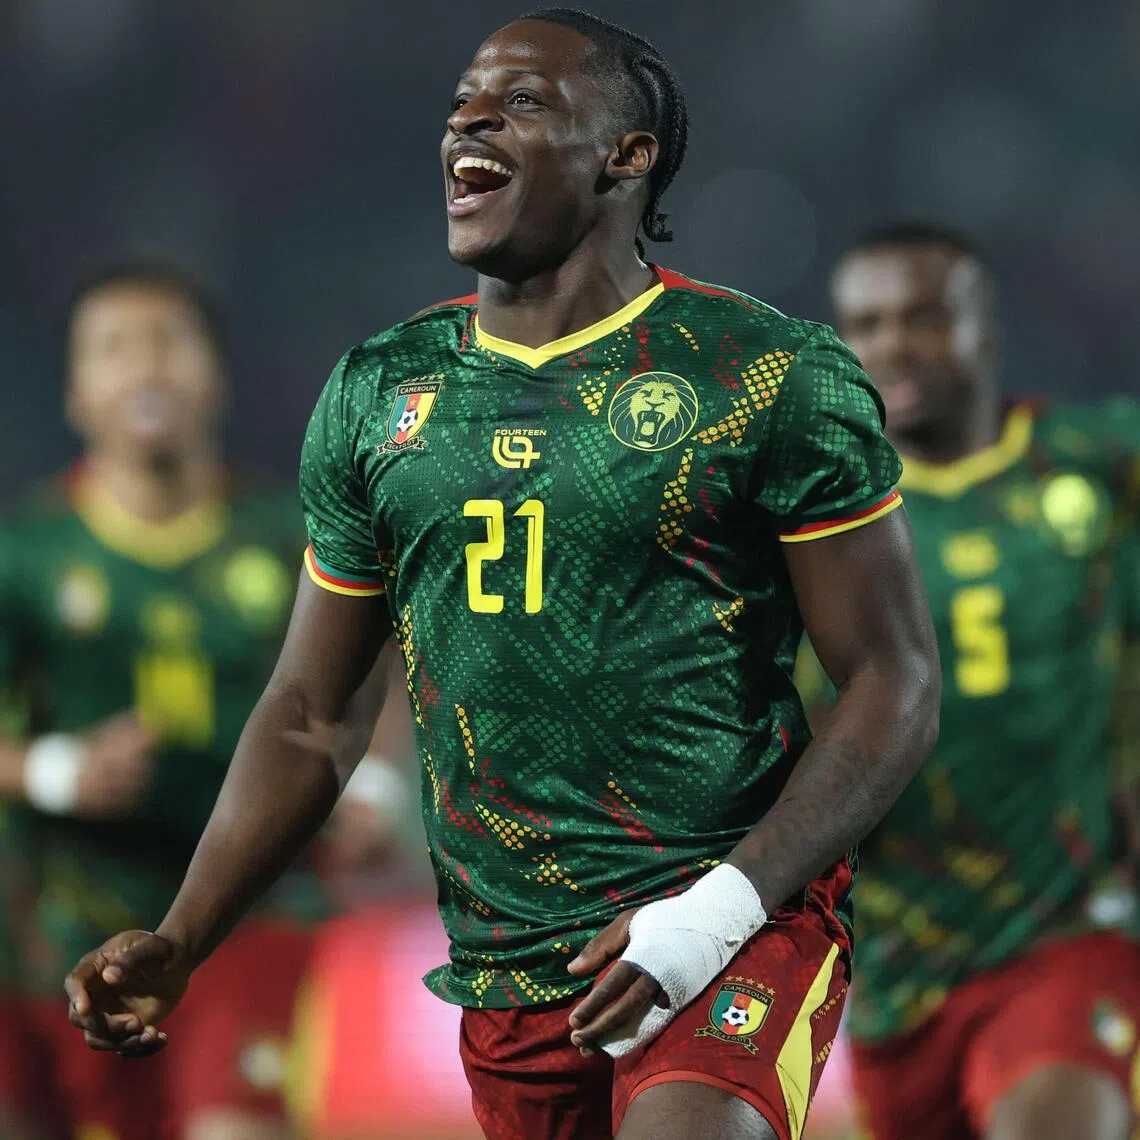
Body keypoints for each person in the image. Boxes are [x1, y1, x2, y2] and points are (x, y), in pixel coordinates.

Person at [64, 13, 940, 1140]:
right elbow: (311, 716)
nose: (470, 118)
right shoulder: (381, 392)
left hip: (736, 920)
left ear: (627, 155)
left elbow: (894, 683)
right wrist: (182, 935)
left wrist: (720, 911)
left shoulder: (766, 374)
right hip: (510, 962)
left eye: (523, 101)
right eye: (463, 103)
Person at [0, 263, 393, 1140]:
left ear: (216, 373)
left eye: (168, 343)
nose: (146, 368)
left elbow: (376, 678)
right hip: (62, 916)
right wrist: (59, 771)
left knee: (233, 1128)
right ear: (75, 393)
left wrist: (371, 789)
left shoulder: (292, 536)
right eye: (114, 349)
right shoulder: (23, 556)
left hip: (250, 905)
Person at [802, 219, 1140, 1140]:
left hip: (1066, 924)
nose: (893, 345)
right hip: (897, 960)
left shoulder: (1100, 464)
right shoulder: (819, 522)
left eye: (923, 318)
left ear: (986, 327)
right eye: (865, 325)